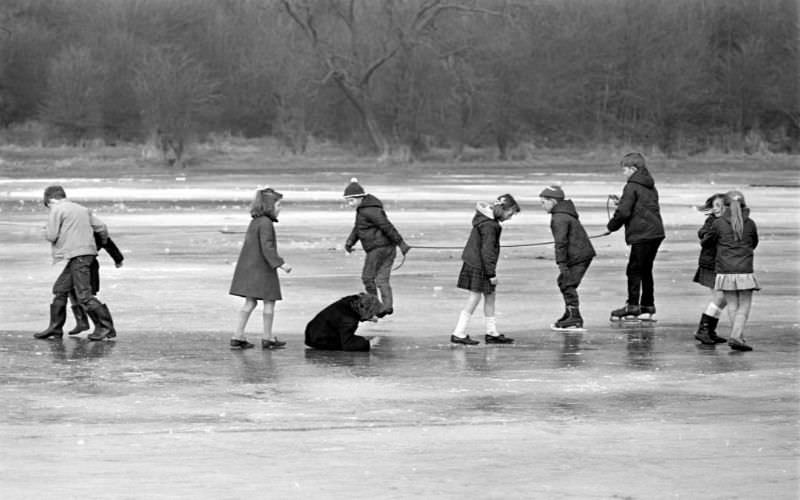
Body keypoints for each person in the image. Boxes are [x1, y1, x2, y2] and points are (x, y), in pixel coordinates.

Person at [35, 185, 116, 341]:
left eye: (48, 205)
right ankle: (55, 328)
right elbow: (102, 227)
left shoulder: (56, 210)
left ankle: (106, 327)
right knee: (60, 288)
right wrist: (102, 242)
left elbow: (51, 235)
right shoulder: (82, 209)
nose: (49, 208)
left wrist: (44, 231)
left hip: (78, 256)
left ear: (51, 200)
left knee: (84, 295)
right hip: (84, 255)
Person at [450, 194, 520, 345]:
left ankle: (491, 332)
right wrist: (491, 274)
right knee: (475, 296)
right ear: (503, 209)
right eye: (510, 213)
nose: (510, 217)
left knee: (490, 295)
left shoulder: (487, 221)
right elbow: (487, 251)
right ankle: (458, 332)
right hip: (479, 264)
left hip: (477, 262)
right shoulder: (490, 225)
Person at [229, 187, 292, 350]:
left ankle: (238, 335)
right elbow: (267, 247)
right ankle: (267, 337)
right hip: (263, 269)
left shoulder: (255, 221)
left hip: (250, 268)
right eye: (278, 205)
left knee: (250, 302)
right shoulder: (266, 223)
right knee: (269, 302)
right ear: (270, 206)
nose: (280, 209)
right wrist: (280, 264)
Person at [607, 152, 665, 321]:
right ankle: (647, 306)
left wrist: (612, 226)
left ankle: (632, 306)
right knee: (646, 269)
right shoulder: (649, 185)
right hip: (655, 232)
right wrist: (622, 202)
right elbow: (641, 206)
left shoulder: (631, 186)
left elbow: (624, 212)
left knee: (634, 269)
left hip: (643, 234)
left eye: (624, 170)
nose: (623, 173)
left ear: (633, 169)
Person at [343, 178, 410, 318]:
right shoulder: (365, 209)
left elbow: (386, 226)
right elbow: (358, 228)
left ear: (360, 197)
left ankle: (375, 307)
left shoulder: (369, 210)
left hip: (378, 250)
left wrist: (401, 242)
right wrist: (350, 242)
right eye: (348, 201)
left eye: (351, 200)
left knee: (367, 278)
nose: (349, 204)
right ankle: (387, 306)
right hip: (388, 249)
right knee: (381, 280)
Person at [704, 191, 759, 351]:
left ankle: (738, 336)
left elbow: (708, 241)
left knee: (733, 305)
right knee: (744, 305)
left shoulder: (719, 223)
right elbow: (754, 242)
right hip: (744, 270)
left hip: (725, 270)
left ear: (725, 205)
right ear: (744, 205)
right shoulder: (750, 224)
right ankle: (736, 336)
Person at [539, 185, 596, 329]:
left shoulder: (559, 218)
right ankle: (569, 313)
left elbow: (561, 242)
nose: (542, 206)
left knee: (567, 283)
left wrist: (561, 263)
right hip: (580, 253)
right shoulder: (564, 213)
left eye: (543, 202)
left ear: (553, 201)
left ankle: (575, 317)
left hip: (579, 255)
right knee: (564, 282)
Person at [67, 233, 124, 338]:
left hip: (88, 264)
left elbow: (107, 242)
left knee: (85, 296)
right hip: (77, 262)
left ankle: (105, 327)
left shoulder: (92, 228)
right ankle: (82, 322)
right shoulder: (78, 226)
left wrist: (118, 258)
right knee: (71, 291)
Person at [693, 193, 729, 345]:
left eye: (720, 206)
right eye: (714, 206)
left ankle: (709, 330)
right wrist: (713, 233)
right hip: (710, 265)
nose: (716, 209)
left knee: (722, 298)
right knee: (720, 297)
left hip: (722, 265)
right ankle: (704, 330)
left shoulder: (731, 222)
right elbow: (704, 238)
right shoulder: (713, 222)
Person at [304, 293, 383, 352]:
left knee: (359, 339)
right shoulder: (349, 320)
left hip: (312, 330)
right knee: (356, 341)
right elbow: (348, 344)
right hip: (318, 340)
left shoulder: (351, 301)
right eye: (371, 314)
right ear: (366, 311)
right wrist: (369, 344)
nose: (372, 315)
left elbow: (355, 313)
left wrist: (367, 317)